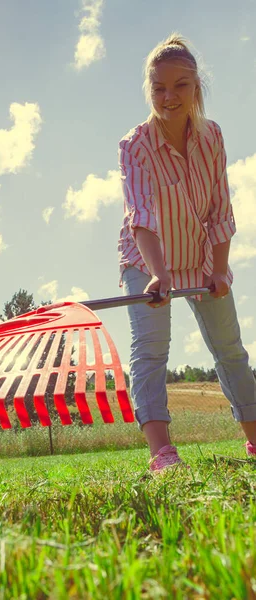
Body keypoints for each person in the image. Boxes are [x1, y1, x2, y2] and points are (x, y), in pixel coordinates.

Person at [117, 32, 256, 472]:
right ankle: (162, 453)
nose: (168, 96)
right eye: (158, 86)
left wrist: (218, 269)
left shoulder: (212, 137)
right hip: (148, 259)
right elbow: (140, 215)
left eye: (180, 85)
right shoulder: (134, 146)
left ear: (197, 87)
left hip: (199, 256)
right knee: (152, 348)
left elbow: (220, 208)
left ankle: (255, 440)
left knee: (230, 349)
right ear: (149, 89)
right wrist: (159, 273)